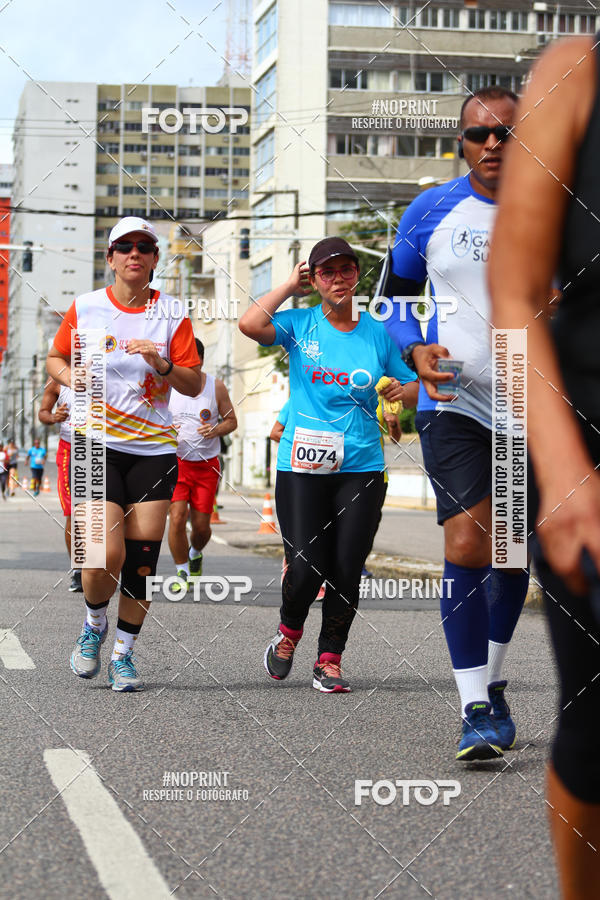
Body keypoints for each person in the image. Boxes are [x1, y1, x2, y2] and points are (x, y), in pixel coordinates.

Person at [382, 86, 528, 761]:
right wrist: (414, 348)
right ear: (461, 142)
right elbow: (394, 297)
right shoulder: (431, 208)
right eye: (479, 134)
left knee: (512, 548)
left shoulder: (563, 204)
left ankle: (493, 682)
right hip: (456, 402)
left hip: (536, 405)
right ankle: (473, 706)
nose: (492, 144)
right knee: (469, 541)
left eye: (506, 131)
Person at [489, 35, 600, 898]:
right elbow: (516, 291)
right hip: (582, 445)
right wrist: (564, 481)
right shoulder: (575, 72)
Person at [240, 236, 418, 693]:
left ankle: (329, 659)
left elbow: (414, 383)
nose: (338, 278)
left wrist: (403, 393)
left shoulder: (378, 332)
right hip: (302, 465)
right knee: (307, 564)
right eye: (326, 272)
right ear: (314, 279)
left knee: (346, 563)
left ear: (357, 275)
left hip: (361, 465)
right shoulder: (300, 323)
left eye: (345, 270)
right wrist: (286, 285)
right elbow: (249, 323)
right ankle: (288, 632)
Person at [46, 216, 202, 692]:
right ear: (110, 258)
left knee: (139, 561)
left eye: (144, 247)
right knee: (100, 555)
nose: (134, 254)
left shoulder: (172, 312)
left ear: (155, 259)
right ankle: (95, 625)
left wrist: (163, 363)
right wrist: (73, 380)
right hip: (95, 445)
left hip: (153, 450)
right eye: (124, 247)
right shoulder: (87, 307)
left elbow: (193, 383)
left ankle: (123, 656)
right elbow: (55, 359)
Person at [168, 338, 237, 590]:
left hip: (207, 466)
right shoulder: (168, 386)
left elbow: (232, 421)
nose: (188, 364)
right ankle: (182, 572)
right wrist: (165, 431)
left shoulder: (215, 387)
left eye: (193, 360)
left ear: (201, 360)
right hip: (177, 463)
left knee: (201, 527)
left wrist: (217, 429)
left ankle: (195, 551)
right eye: (182, 360)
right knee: (176, 517)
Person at [38, 378, 82, 592]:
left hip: (103, 447)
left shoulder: (106, 367)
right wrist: (54, 417)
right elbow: (43, 412)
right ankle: (78, 569)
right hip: (69, 447)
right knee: (73, 511)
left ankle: (108, 567)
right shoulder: (57, 379)